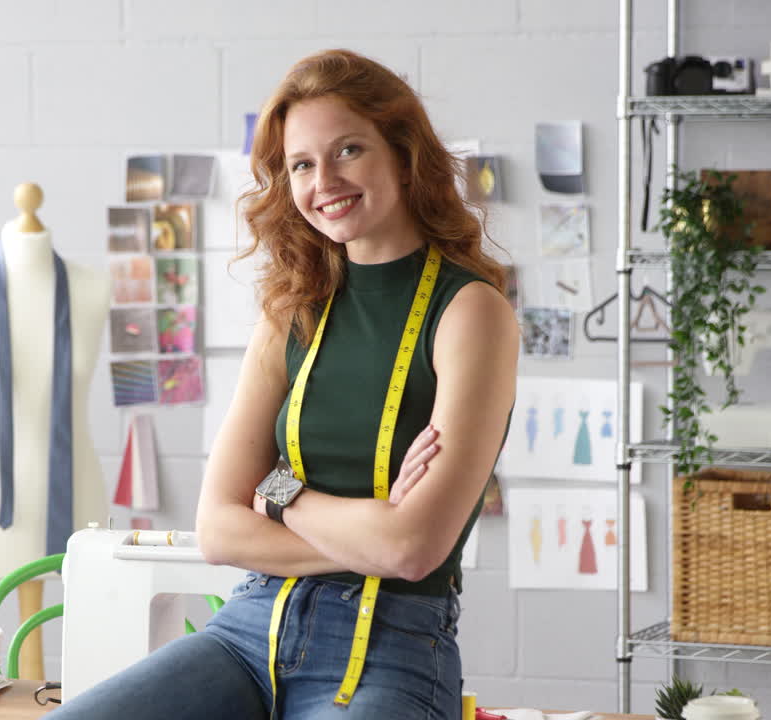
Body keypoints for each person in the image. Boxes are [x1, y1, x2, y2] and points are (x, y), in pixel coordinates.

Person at [51, 48, 517, 719]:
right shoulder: (293, 311)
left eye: (348, 150)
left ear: (403, 154)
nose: (324, 180)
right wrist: (367, 530)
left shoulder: (469, 312)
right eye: (301, 164)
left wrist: (279, 494)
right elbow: (218, 530)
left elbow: (413, 550)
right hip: (246, 630)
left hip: (390, 647)